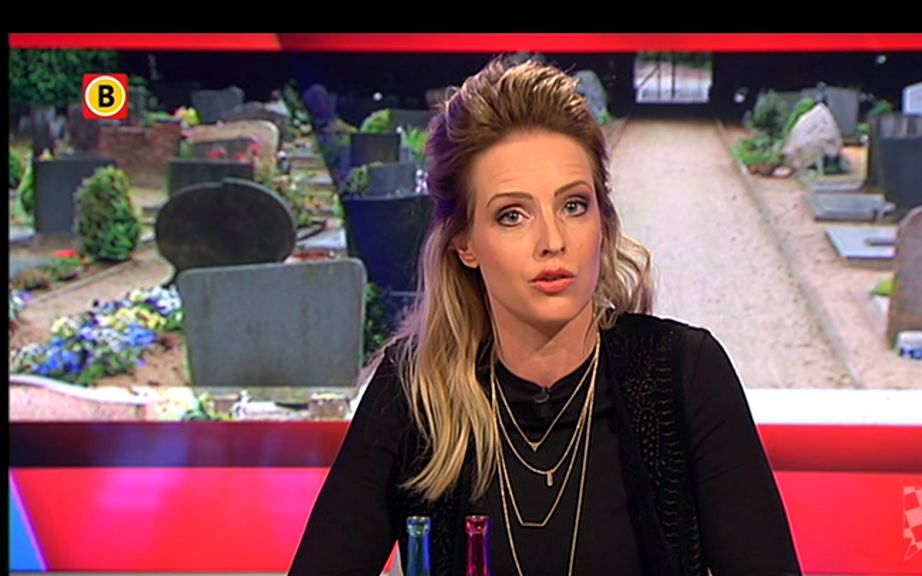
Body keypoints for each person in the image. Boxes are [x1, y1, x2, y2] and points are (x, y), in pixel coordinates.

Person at [289, 55, 802, 576]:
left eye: (573, 205)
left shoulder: (684, 374)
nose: (553, 241)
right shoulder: (413, 390)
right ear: (465, 242)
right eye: (512, 215)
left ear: (603, 219)